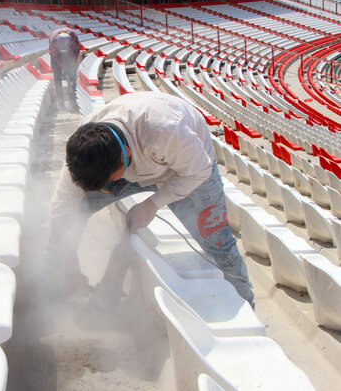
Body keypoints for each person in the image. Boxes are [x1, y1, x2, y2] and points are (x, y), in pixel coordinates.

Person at [49, 91, 255, 308]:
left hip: (186, 168)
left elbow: (199, 171)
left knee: (217, 238)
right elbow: (61, 209)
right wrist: (69, 268)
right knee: (73, 213)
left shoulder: (167, 130)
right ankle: (54, 287)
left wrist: (153, 204)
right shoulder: (84, 151)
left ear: (125, 154)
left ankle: (244, 301)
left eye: (107, 181)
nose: (103, 188)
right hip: (133, 164)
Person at [48, 27, 81, 111]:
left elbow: (77, 51)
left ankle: (73, 101)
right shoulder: (53, 42)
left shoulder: (74, 37)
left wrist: (73, 61)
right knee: (57, 78)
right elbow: (54, 55)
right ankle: (61, 104)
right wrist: (60, 63)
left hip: (71, 53)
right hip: (56, 56)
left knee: (72, 77)